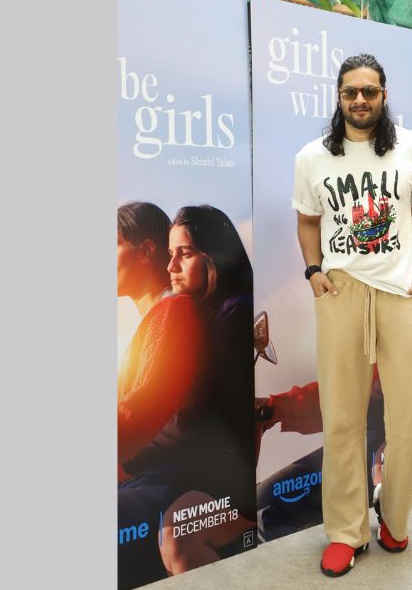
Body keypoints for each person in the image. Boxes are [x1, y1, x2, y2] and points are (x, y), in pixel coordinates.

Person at [292, 53, 412, 576]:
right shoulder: (312, 158)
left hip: (403, 291)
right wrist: (314, 271)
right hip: (342, 291)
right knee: (342, 417)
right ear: (338, 96)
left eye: (369, 91)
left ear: (383, 95)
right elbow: (308, 220)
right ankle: (345, 531)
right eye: (350, 91)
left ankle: (393, 514)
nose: (360, 100)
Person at [156, 205, 256, 575]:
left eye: (184, 253)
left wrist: (129, 455)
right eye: (170, 254)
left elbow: (198, 418)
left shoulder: (235, 314)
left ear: (214, 256)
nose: (171, 266)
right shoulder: (202, 313)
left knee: (178, 537)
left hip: (233, 476)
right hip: (200, 467)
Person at [117, 202, 208, 590]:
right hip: (145, 483)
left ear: (146, 250)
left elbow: (144, 410)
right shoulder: (154, 322)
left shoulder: (175, 311)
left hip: (170, 485)